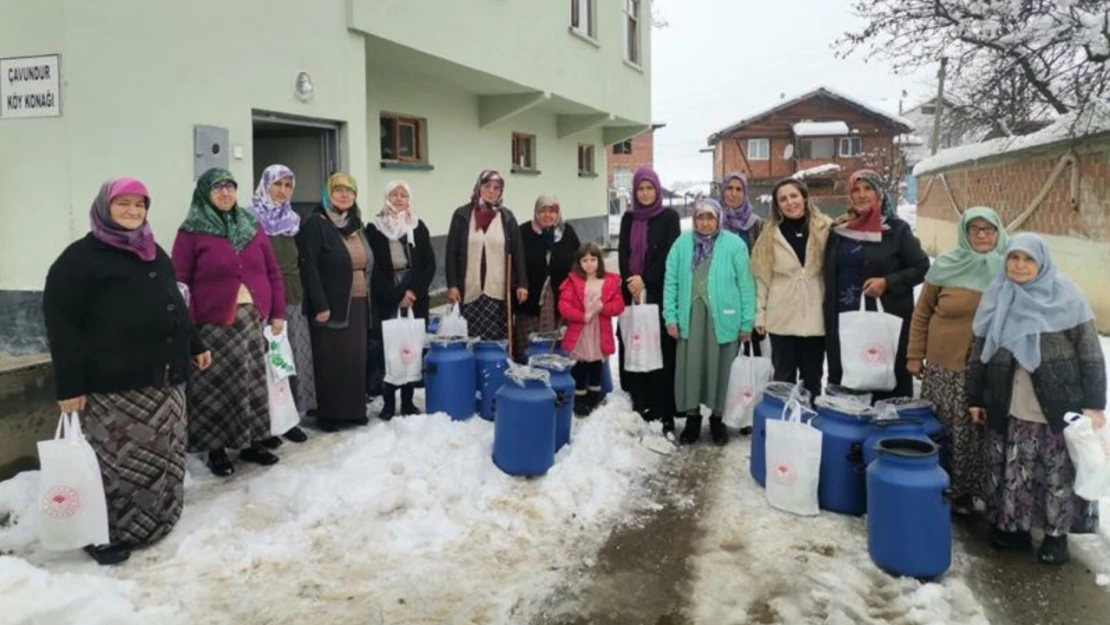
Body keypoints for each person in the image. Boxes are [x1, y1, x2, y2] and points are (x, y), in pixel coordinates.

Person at [43, 178, 210, 566]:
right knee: (116, 462)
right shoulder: (79, 261)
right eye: (124, 205)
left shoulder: (154, 253)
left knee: (162, 457)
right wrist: (69, 385)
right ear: (105, 207)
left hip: (164, 382)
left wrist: (195, 344)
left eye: (140, 205)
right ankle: (104, 533)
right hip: (113, 388)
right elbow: (62, 328)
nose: (133, 212)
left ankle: (158, 520)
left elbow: (176, 305)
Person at [966, 233, 1105, 564]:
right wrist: (976, 397)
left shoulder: (1067, 296)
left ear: (1041, 262)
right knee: (1015, 468)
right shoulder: (997, 295)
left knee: (1055, 472)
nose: (1020, 265)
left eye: (1028, 259)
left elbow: (1090, 353)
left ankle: (1056, 538)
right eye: (1014, 258)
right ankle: (1015, 528)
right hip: (1008, 401)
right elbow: (978, 351)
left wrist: (1095, 403)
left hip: (1056, 404)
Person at [172, 168, 285, 476]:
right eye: (218, 188)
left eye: (230, 188)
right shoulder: (191, 232)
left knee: (251, 382)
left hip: (250, 319)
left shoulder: (251, 226)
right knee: (214, 387)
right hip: (212, 323)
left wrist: (277, 312)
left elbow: (272, 271)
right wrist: (190, 325)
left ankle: (250, 443)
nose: (225, 193)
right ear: (205, 193)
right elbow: (180, 283)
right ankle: (217, 448)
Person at [908, 207, 1008, 514]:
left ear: (999, 233)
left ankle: (978, 491)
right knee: (945, 428)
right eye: (974, 229)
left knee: (980, 432)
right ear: (963, 233)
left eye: (988, 229)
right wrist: (914, 354)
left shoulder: (1010, 268)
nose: (981, 235)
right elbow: (922, 312)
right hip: (942, 367)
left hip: (990, 369)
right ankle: (943, 485)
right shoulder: (946, 267)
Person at [823, 169, 929, 400]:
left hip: (884, 319)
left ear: (879, 193)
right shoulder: (839, 230)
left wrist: (888, 282)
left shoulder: (896, 230)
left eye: (868, 188)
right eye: (856, 190)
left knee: (884, 379)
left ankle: (887, 432)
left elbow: (921, 267)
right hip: (844, 320)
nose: (862, 195)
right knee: (848, 383)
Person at [663, 198, 756, 446]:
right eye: (700, 218)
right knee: (691, 367)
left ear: (719, 218)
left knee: (721, 369)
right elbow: (670, 281)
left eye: (710, 218)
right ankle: (692, 419)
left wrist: (747, 322)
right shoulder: (682, 244)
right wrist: (670, 316)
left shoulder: (734, 245)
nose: (705, 223)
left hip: (724, 318)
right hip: (690, 316)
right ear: (694, 219)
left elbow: (746, 285)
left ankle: (718, 419)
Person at [297, 173, 375, 431]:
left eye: (349, 191)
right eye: (338, 190)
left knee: (354, 358)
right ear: (327, 194)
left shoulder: (356, 224)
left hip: (359, 302)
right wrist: (320, 304)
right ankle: (330, 414)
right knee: (331, 360)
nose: (344, 195)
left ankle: (353, 411)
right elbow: (310, 267)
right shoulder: (315, 224)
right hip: (330, 305)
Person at [751, 178, 831, 401]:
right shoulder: (769, 236)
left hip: (815, 315)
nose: (790, 202)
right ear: (777, 206)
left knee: (812, 377)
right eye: (783, 199)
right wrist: (760, 314)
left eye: (794, 196)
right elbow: (762, 278)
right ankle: (784, 428)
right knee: (783, 377)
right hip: (782, 316)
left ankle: (810, 424)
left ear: (804, 198)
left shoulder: (825, 228)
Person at [249, 164, 310, 445]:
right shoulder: (249, 220)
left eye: (288, 186)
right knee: (267, 363)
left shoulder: (293, 221)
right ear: (265, 185)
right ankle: (266, 423)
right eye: (278, 185)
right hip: (264, 301)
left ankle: (290, 419)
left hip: (292, 297)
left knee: (290, 358)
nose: (283, 191)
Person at [366, 180, 436, 420]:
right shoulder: (374, 228)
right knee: (390, 349)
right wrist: (396, 296)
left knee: (412, 347)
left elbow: (429, 264)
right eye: (394, 194)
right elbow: (372, 268)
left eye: (403, 195)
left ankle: (407, 401)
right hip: (388, 294)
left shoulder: (418, 226)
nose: (398, 199)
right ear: (386, 197)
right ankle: (388, 402)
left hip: (415, 295)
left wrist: (413, 292)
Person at [618, 167, 681, 431]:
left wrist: (644, 279)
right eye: (640, 189)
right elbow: (623, 251)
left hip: (658, 291)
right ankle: (640, 402)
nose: (645, 193)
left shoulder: (669, 217)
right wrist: (631, 281)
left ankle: (663, 409)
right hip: (632, 292)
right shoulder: (628, 218)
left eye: (649, 188)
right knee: (634, 345)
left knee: (659, 350)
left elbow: (670, 253)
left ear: (657, 190)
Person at [444, 170, 528, 340]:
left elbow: (518, 253)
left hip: (497, 290)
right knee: (469, 338)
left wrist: (522, 284)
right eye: (487, 186)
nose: (492, 191)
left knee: (495, 339)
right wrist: (452, 284)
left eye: (497, 188)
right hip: (468, 289)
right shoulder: (462, 215)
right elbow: (451, 253)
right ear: (478, 187)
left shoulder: (507, 217)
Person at [559, 242, 625, 415]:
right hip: (580, 331)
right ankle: (579, 398)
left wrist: (604, 307)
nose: (589, 264)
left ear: (599, 261)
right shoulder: (573, 282)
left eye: (593, 259)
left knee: (596, 363)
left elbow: (619, 305)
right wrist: (581, 316)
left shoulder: (609, 282)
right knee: (580, 364)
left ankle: (594, 396)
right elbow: (563, 305)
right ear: (579, 263)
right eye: (585, 260)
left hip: (599, 330)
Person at [516, 195, 580, 361]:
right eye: (543, 210)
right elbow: (515, 262)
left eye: (552, 211)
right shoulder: (523, 232)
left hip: (561, 298)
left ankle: (555, 377)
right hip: (530, 298)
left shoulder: (567, 233)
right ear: (536, 212)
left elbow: (578, 261)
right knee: (528, 347)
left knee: (558, 347)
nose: (547, 215)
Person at [718, 172, 767, 358]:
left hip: (750, 298)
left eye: (739, 189)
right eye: (729, 188)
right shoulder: (712, 222)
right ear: (722, 192)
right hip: (722, 298)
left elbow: (764, 265)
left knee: (750, 357)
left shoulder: (757, 225)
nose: (734, 193)